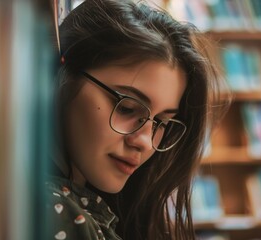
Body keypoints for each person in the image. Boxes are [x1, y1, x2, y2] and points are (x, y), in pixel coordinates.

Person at [45, 0, 228, 239]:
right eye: (127, 108)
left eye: (161, 122)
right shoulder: (54, 213)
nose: (145, 142)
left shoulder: (95, 207)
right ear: (64, 75)